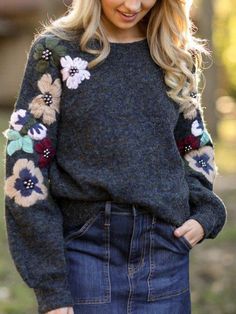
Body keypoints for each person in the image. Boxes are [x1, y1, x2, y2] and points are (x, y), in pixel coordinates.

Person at [3, 0, 227, 313]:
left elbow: (195, 145)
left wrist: (205, 212)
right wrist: (51, 286)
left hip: (164, 251)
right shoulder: (56, 51)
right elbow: (26, 167)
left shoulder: (173, 52)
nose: (134, 5)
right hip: (85, 254)